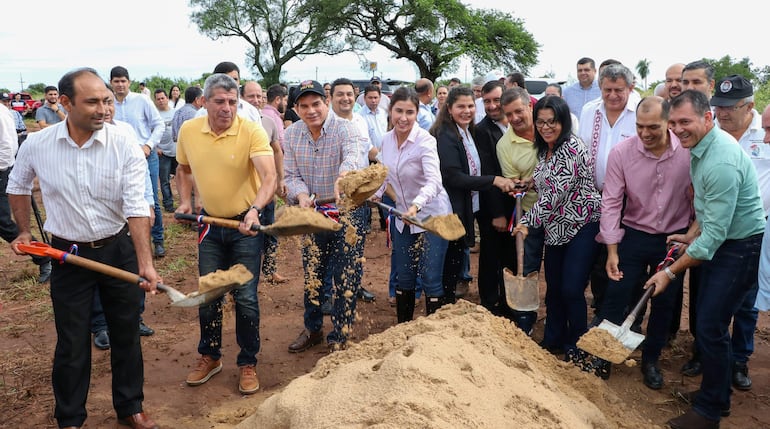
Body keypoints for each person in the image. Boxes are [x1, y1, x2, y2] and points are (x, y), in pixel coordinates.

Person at [8, 67, 160, 429]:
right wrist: (25, 231)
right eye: (92, 101)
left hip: (116, 247)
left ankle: (130, 407)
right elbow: (17, 184)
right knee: (72, 341)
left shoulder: (123, 141)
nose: (103, 109)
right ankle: (70, 418)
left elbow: (137, 206)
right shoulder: (38, 144)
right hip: (68, 256)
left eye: (107, 101)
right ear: (65, 103)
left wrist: (145, 263)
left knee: (126, 332)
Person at [645, 89, 765, 429]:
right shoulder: (701, 147)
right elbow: (709, 212)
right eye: (673, 122)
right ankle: (717, 398)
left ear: (708, 118)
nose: (678, 129)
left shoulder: (720, 160)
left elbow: (714, 237)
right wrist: (691, 234)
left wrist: (669, 272)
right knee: (709, 324)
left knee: (711, 326)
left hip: (740, 247)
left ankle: (710, 412)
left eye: (686, 122)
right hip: (724, 238)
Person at [176, 73, 277, 395]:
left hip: (245, 228)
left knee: (245, 298)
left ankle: (247, 361)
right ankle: (210, 355)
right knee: (210, 294)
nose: (227, 108)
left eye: (232, 102)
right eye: (219, 101)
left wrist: (255, 209)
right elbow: (183, 168)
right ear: (204, 102)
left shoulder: (250, 130)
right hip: (210, 226)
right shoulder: (189, 131)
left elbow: (269, 176)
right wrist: (184, 201)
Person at [593, 96, 693, 387]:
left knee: (664, 303)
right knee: (616, 295)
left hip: (673, 239)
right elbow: (611, 202)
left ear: (668, 124)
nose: (645, 134)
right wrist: (612, 250)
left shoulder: (688, 152)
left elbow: (699, 197)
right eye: (639, 127)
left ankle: (650, 359)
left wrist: (692, 235)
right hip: (634, 234)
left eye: (653, 127)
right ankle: (602, 355)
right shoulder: (622, 153)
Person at [512, 96, 601, 364]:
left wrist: (526, 222)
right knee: (553, 288)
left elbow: (554, 197)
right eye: (540, 121)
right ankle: (553, 338)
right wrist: (529, 182)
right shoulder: (545, 149)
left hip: (582, 224)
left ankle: (576, 342)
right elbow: (546, 180)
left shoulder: (572, 149)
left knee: (572, 288)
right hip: (557, 228)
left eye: (552, 122)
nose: (546, 127)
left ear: (563, 121)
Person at [283, 80, 363, 353]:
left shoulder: (345, 128)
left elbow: (352, 157)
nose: (311, 110)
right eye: (303, 106)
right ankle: (313, 328)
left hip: (347, 211)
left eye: (316, 103)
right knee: (313, 273)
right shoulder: (292, 135)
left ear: (326, 102)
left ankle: (340, 334)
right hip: (314, 212)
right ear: (296, 108)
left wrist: (343, 177)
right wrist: (301, 196)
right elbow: (291, 176)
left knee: (345, 275)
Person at [432, 86, 516, 308]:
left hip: (468, 206)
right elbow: (453, 177)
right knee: (449, 263)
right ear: (449, 108)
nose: (467, 111)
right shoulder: (446, 135)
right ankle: (442, 309)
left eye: (470, 106)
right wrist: (493, 180)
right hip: (452, 209)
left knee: (457, 259)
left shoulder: (467, 131)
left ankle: (447, 306)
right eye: (461, 106)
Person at [374, 87, 451, 321]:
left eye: (410, 112)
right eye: (399, 111)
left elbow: (434, 181)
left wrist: (416, 206)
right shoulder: (386, 140)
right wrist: (374, 194)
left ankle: (433, 335)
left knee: (430, 277)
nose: (404, 118)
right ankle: (403, 329)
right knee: (404, 276)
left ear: (417, 113)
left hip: (431, 217)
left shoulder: (425, 141)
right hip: (402, 218)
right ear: (390, 111)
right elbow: (382, 175)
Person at [710, 74, 765, 392]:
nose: (723, 113)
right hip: (718, 226)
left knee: (747, 299)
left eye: (731, 107)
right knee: (712, 296)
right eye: (719, 106)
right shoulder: (713, 135)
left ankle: (740, 360)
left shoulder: (764, 133)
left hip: (756, 230)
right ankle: (706, 356)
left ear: (749, 106)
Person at [577, 63, 637, 323]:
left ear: (630, 88)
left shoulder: (641, 113)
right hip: (593, 196)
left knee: (624, 259)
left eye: (619, 90)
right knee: (598, 259)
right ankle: (600, 312)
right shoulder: (590, 112)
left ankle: (622, 315)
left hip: (630, 202)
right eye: (607, 89)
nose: (613, 95)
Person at [109, 65, 164, 337]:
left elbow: (159, 124)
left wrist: (147, 146)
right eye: (115, 82)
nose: (119, 86)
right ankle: (101, 324)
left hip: (144, 156)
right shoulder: (101, 130)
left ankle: (159, 240)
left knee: (137, 247)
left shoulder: (141, 102)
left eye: (123, 81)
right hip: (107, 214)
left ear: (128, 82)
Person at [496, 87, 544, 335]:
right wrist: (521, 184)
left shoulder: (548, 126)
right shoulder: (505, 145)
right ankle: (525, 322)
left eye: (518, 111)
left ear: (530, 107)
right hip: (530, 213)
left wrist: (536, 179)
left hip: (562, 212)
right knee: (526, 265)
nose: (514, 118)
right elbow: (512, 182)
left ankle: (559, 319)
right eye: (508, 114)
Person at [473, 81, 515, 316]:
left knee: (511, 256)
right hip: (493, 208)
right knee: (491, 256)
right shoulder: (481, 131)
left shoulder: (516, 125)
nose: (491, 106)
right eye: (486, 101)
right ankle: (490, 304)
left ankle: (510, 304)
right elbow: (488, 172)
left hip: (517, 205)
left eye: (496, 100)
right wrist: (498, 213)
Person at [1, 94, 52, 284]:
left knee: (2, 221)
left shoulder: (2, 113)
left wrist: (2, 170)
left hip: (2, 170)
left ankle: (43, 256)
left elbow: (8, 146)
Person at [241, 80, 288, 285]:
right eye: (251, 96)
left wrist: (280, 178)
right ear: (242, 98)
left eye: (259, 95)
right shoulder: (238, 123)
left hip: (266, 189)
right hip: (244, 191)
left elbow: (277, 151)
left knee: (269, 229)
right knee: (246, 233)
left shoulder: (268, 122)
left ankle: (270, 269)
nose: (256, 100)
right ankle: (245, 275)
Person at [153, 89, 176, 213]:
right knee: (164, 180)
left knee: (183, 178)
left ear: (167, 98)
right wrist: (156, 148)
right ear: (155, 101)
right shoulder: (155, 115)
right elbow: (150, 132)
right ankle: (168, 204)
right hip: (163, 152)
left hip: (177, 151)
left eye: (163, 98)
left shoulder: (175, 113)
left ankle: (185, 203)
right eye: (158, 99)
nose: (161, 101)